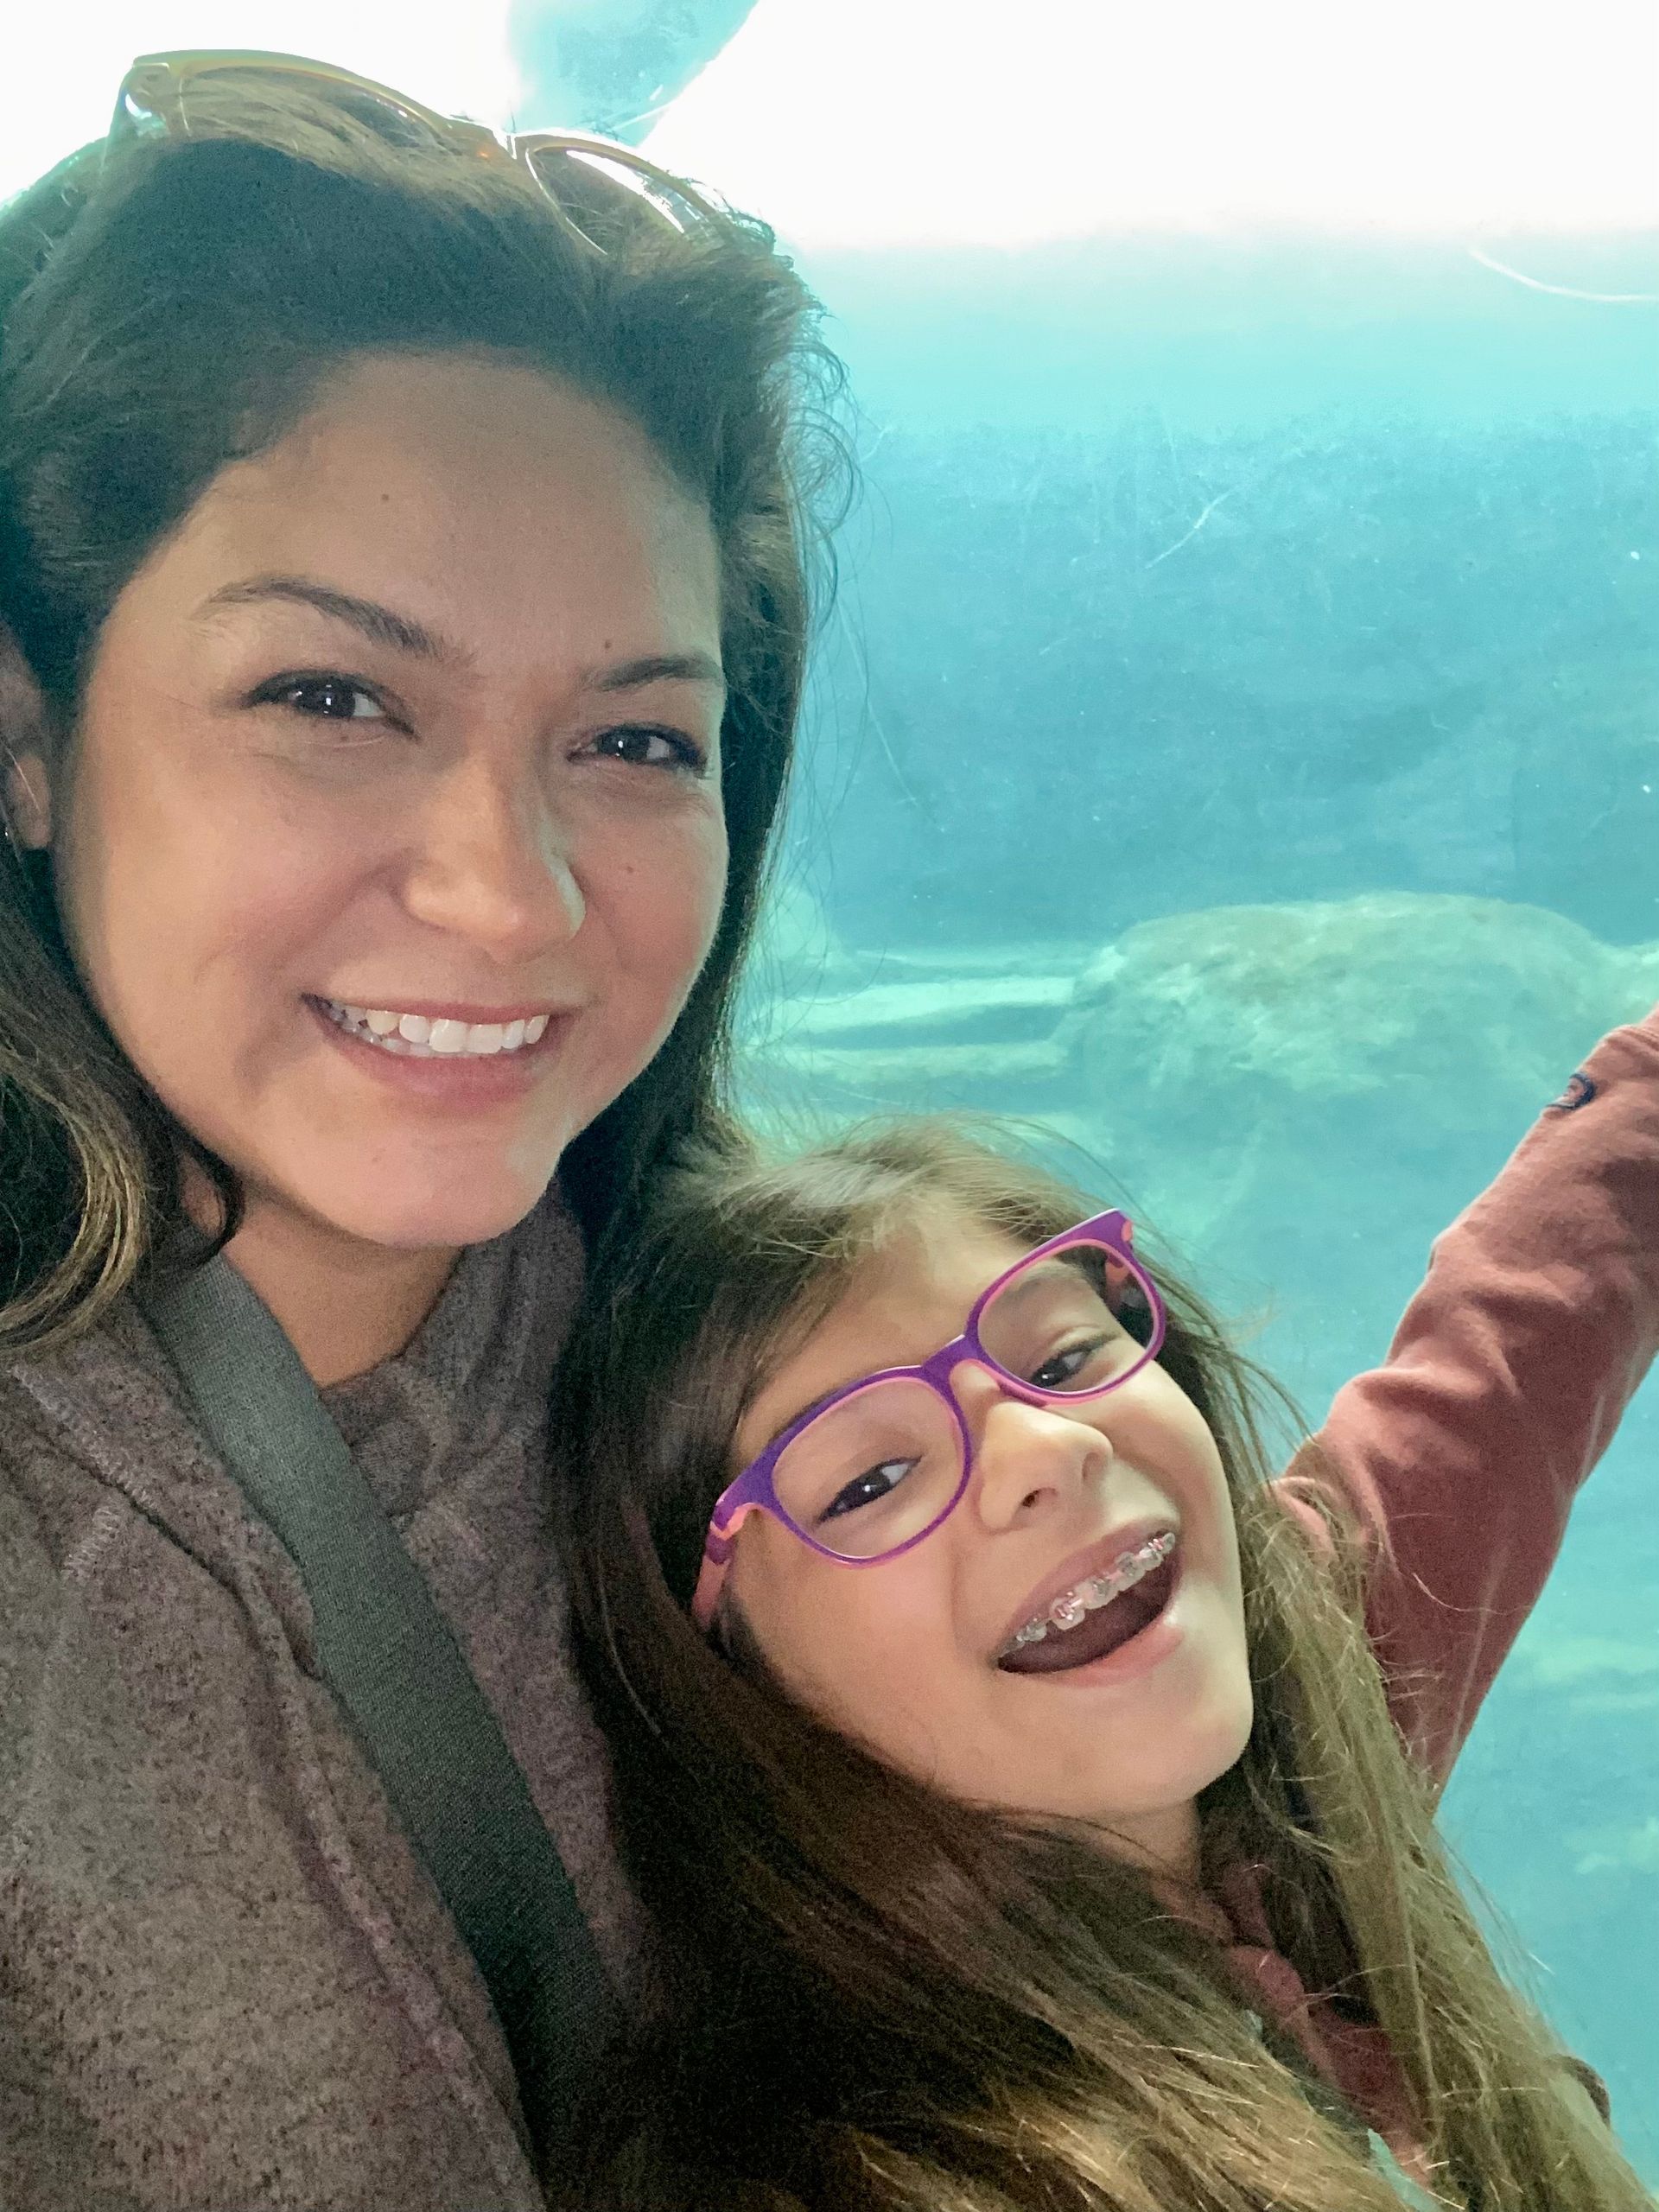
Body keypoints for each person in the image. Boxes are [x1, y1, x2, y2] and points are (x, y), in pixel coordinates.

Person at [0, 51, 842, 2212]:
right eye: (334, 696)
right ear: (28, 734)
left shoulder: (781, 1377)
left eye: (636, 735)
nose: (513, 892)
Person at [553, 1009, 1659, 2210]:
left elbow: (1513, 1350)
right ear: (718, 1665)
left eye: (1066, 1358)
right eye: (871, 1478)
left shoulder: (1305, 1705)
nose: (1047, 1445)